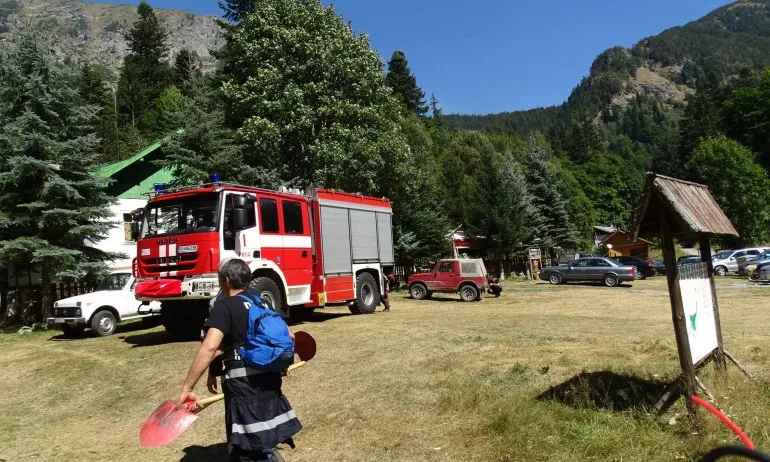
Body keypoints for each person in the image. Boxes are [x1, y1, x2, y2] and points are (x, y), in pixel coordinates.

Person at [180, 258, 302, 462]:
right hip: (269, 379)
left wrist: (187, 388)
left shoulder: (224, 306)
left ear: (226, 280)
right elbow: (288, 336)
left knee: (247, 448)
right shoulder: (260, 301)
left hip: (243, 386)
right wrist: (282, 363)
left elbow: (210, 347)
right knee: (263, 434)